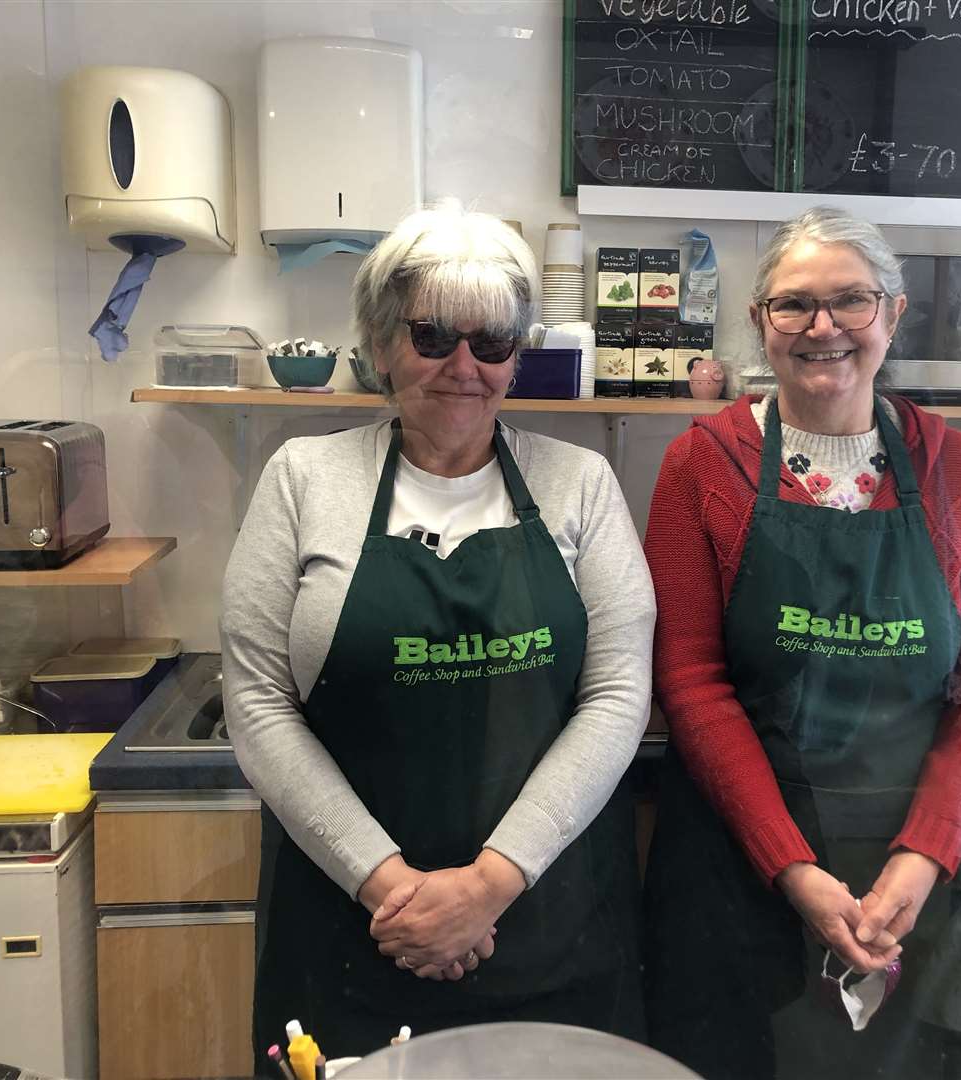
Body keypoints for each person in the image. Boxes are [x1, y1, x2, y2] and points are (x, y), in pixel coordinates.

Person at [222, 201, 653, 1070]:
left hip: (546, 921)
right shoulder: (303, 479)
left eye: (492, 343)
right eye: (434, 337)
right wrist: (394, 891)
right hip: (357, 929)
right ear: (381, 345)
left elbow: (616, 697)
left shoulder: (581, 484)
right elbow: (259, 703)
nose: (466, 367)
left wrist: (489, 886)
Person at [641, 206, 961, 1080]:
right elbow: (692, 682)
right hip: (742, 874)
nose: (823, 328)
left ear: (892, 315)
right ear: (759, 326)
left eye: (851, 301)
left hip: (911, 879)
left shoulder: (958, 469)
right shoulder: (704, 464)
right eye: (794, 306)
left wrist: (923, 855)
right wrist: (793, 870)